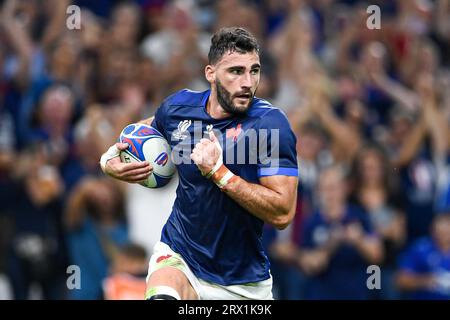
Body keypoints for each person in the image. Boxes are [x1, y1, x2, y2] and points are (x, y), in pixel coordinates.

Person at [99, 27, 298, 300]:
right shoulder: (179, 108)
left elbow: (283, 213)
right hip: (180, 255)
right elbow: (141, 131)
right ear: (211, 74)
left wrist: (219, 173)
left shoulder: (270, 125)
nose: (248, 82)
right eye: (236, 71)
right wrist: (109, 159)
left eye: (254, 70)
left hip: (241, 283)